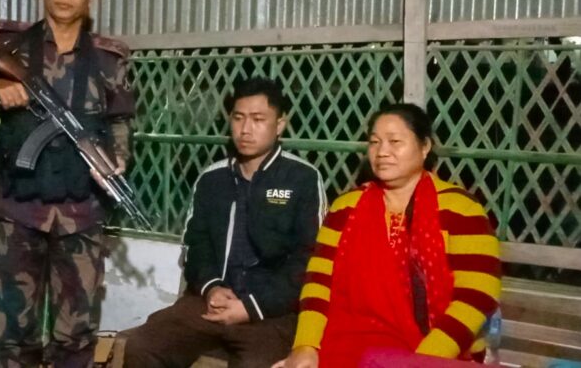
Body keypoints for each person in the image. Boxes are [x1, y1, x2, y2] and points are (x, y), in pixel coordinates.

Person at [0, 0, 134, 367]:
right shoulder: (9, 46)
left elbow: (120, 120)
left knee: (76, 335)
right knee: (15, 333)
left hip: (82, 212)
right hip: (17, 209)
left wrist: (117, 161)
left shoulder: (110, 59)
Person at [274, 103, 501, 368]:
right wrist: (305, 347)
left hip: (437, 353)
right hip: (348, 347)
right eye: (374, 142)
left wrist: (422, 361)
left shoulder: (460, 208)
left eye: (395, 141)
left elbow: (477, 294)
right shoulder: (345, 208)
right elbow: (318, 282)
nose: (382, 152)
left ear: (425, 146)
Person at [124, 77, 327, 368]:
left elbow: (308, 260)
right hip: (210, 303)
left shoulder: (302, 179)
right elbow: (197, 245)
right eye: (238, 118)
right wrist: (211, 287)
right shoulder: (212, 179)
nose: (245, 129)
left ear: (280, 124)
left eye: (258, 119)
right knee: (143, 346)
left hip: (271, 313)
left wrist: (252, 306)